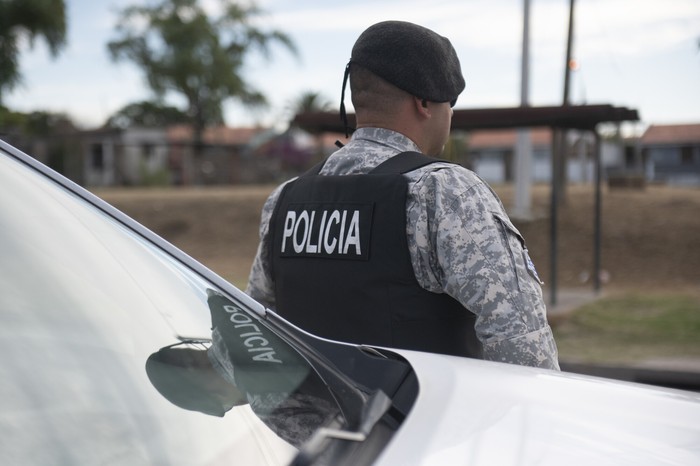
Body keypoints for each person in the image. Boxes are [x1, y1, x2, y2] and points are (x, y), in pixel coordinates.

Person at [247, 20, 559, 370]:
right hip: (426, 423)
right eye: (450, 103)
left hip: (311, 425)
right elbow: (525, 351)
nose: (450, 115)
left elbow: (252, 334)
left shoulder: (285, 201)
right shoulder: (444, 194)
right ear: (424, 101)